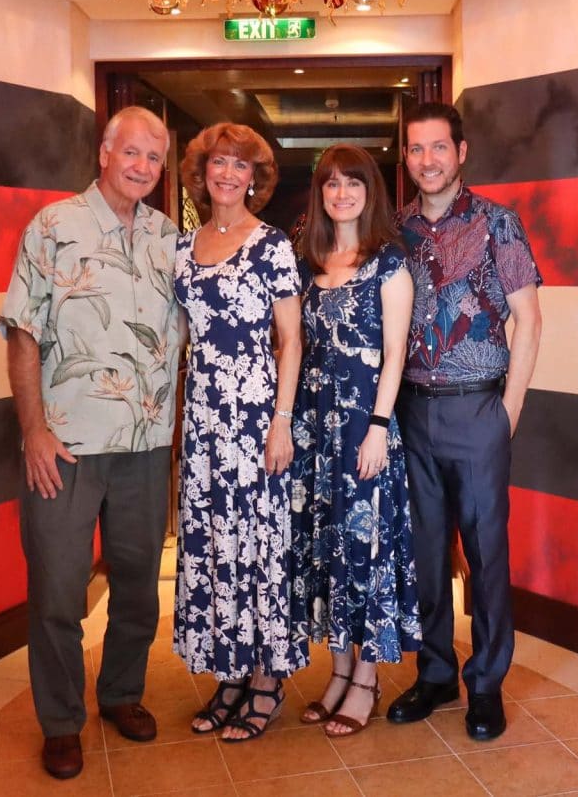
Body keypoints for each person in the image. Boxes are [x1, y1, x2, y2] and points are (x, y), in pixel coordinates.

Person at [0, 106, 179, 779]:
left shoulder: (169, 238)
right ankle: (61, 721)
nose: (141, 167)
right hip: (66, 445)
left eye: (153, 158)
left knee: (138, 586)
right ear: (104, 153)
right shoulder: (53, 226)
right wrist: (34, 431)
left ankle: (122, 695)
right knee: (56, 589)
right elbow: (22, 332)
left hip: (146, 444)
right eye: (131, 152)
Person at [386, 102, 542, 740]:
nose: (428, 160)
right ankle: (434, 673)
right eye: (417, 149)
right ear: (407, 157)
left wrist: (508, 413)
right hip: (411, 412)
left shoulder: (497, 225)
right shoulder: (393, 230)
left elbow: (528, 320)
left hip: (479, 407)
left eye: (438, 148)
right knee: (423, 553)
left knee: (485, 555)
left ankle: (486, 684)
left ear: (462, 151)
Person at [173, 122, 307, 741]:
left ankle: (265, 683)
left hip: (256, 419)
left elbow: (291, 339)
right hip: (203, 420)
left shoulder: (272, 244)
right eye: (217, 164)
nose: (227, 174)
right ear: (200, 174)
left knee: (257, 546)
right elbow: (180, 337)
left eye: (239, 165)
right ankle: (229, 671)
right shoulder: (183, 247)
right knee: (215, 548)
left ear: (255, 178)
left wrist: (282, 422)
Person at [290, 144, 420, 737]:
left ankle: (365, 678)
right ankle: (338, 672)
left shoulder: (388, 262)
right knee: (327, 551)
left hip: (364, 430)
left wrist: (376, 427)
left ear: (371, 192)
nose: (341, 193)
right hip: (316, 430)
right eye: (331, 183)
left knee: (364, 551)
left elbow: (395, 354)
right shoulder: (308, 259)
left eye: (353, 183)